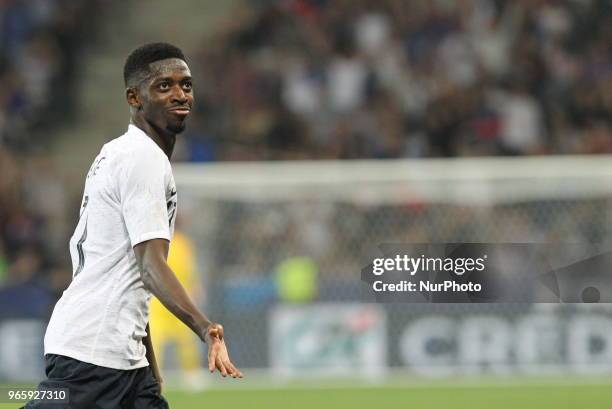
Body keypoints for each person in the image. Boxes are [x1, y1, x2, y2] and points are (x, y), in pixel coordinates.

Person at [23, 42, 241, 409]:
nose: (180, 94)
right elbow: (151, 267)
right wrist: (205, 328)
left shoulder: (122, 153)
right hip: (94, 354)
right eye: (164, 85)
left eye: (186, 85)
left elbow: (129, 278)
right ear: (134, 97)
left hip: (120, 356)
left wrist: (149, 368)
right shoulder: (143, 160)